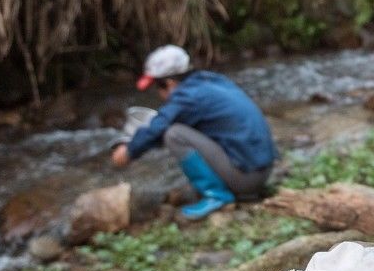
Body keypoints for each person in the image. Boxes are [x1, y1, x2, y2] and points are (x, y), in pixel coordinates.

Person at [111, 45, 277, 219]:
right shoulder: (210, 81)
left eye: (158, 88)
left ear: (169, 83)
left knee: (174, 135)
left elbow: (158, 128)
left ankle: (217, 195)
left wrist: (128, 151)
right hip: (262, 169)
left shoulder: (186, 98)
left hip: (248, 178)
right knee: (180, 129)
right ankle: (225, 187)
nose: (159, 94)